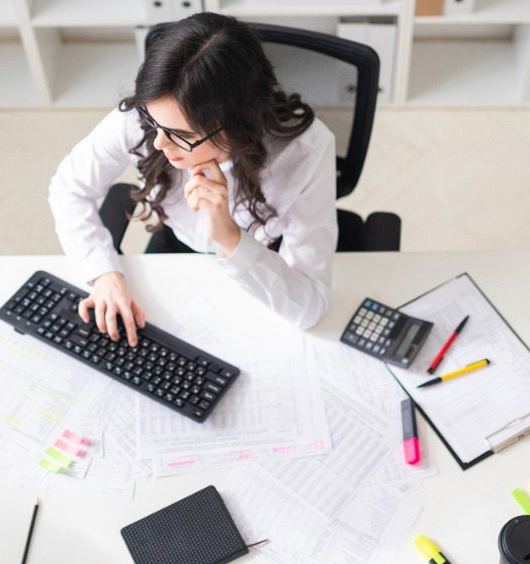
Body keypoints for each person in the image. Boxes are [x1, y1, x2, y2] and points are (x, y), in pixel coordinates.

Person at [47, 12, 337, 346]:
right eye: (154, 123)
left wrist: (230, 237)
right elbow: (68, 188)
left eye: (182, 135)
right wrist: (104, 274)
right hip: (175, 244)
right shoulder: (142, 120)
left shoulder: (306, 151)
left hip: (262, 255)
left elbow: (310, 308)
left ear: (238, 124)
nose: (159, 143)